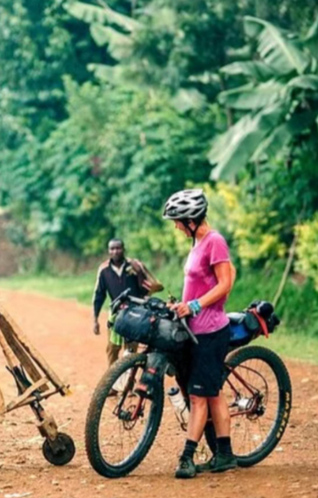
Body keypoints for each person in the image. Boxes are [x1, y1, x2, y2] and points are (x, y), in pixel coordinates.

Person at [162, 189, 237, 479]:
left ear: (192, 219)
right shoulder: (197, 243)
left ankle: (187, 457)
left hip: (211, 331)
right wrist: (180, 306)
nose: (176, 226)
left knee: (198, 397)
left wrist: (193, 305)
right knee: (213, 394)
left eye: (179, 220)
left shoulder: (215, 241)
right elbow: (197, 283)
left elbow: (224, 284)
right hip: (193, 329)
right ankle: (226, 455)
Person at [93, 239, 163, 369]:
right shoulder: (104, 270)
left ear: (124, 249)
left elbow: (156, 286)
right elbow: (99, 295)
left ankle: (129, 383)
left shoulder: (135, 265)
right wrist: (95, 319)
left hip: (136, 313)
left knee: (131, 349)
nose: (115, 251)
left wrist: (142, 278)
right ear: (108, 251)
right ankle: (111, 382)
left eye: (118, 248)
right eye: (112, 249)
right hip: (116, 313)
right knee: (112, 348)